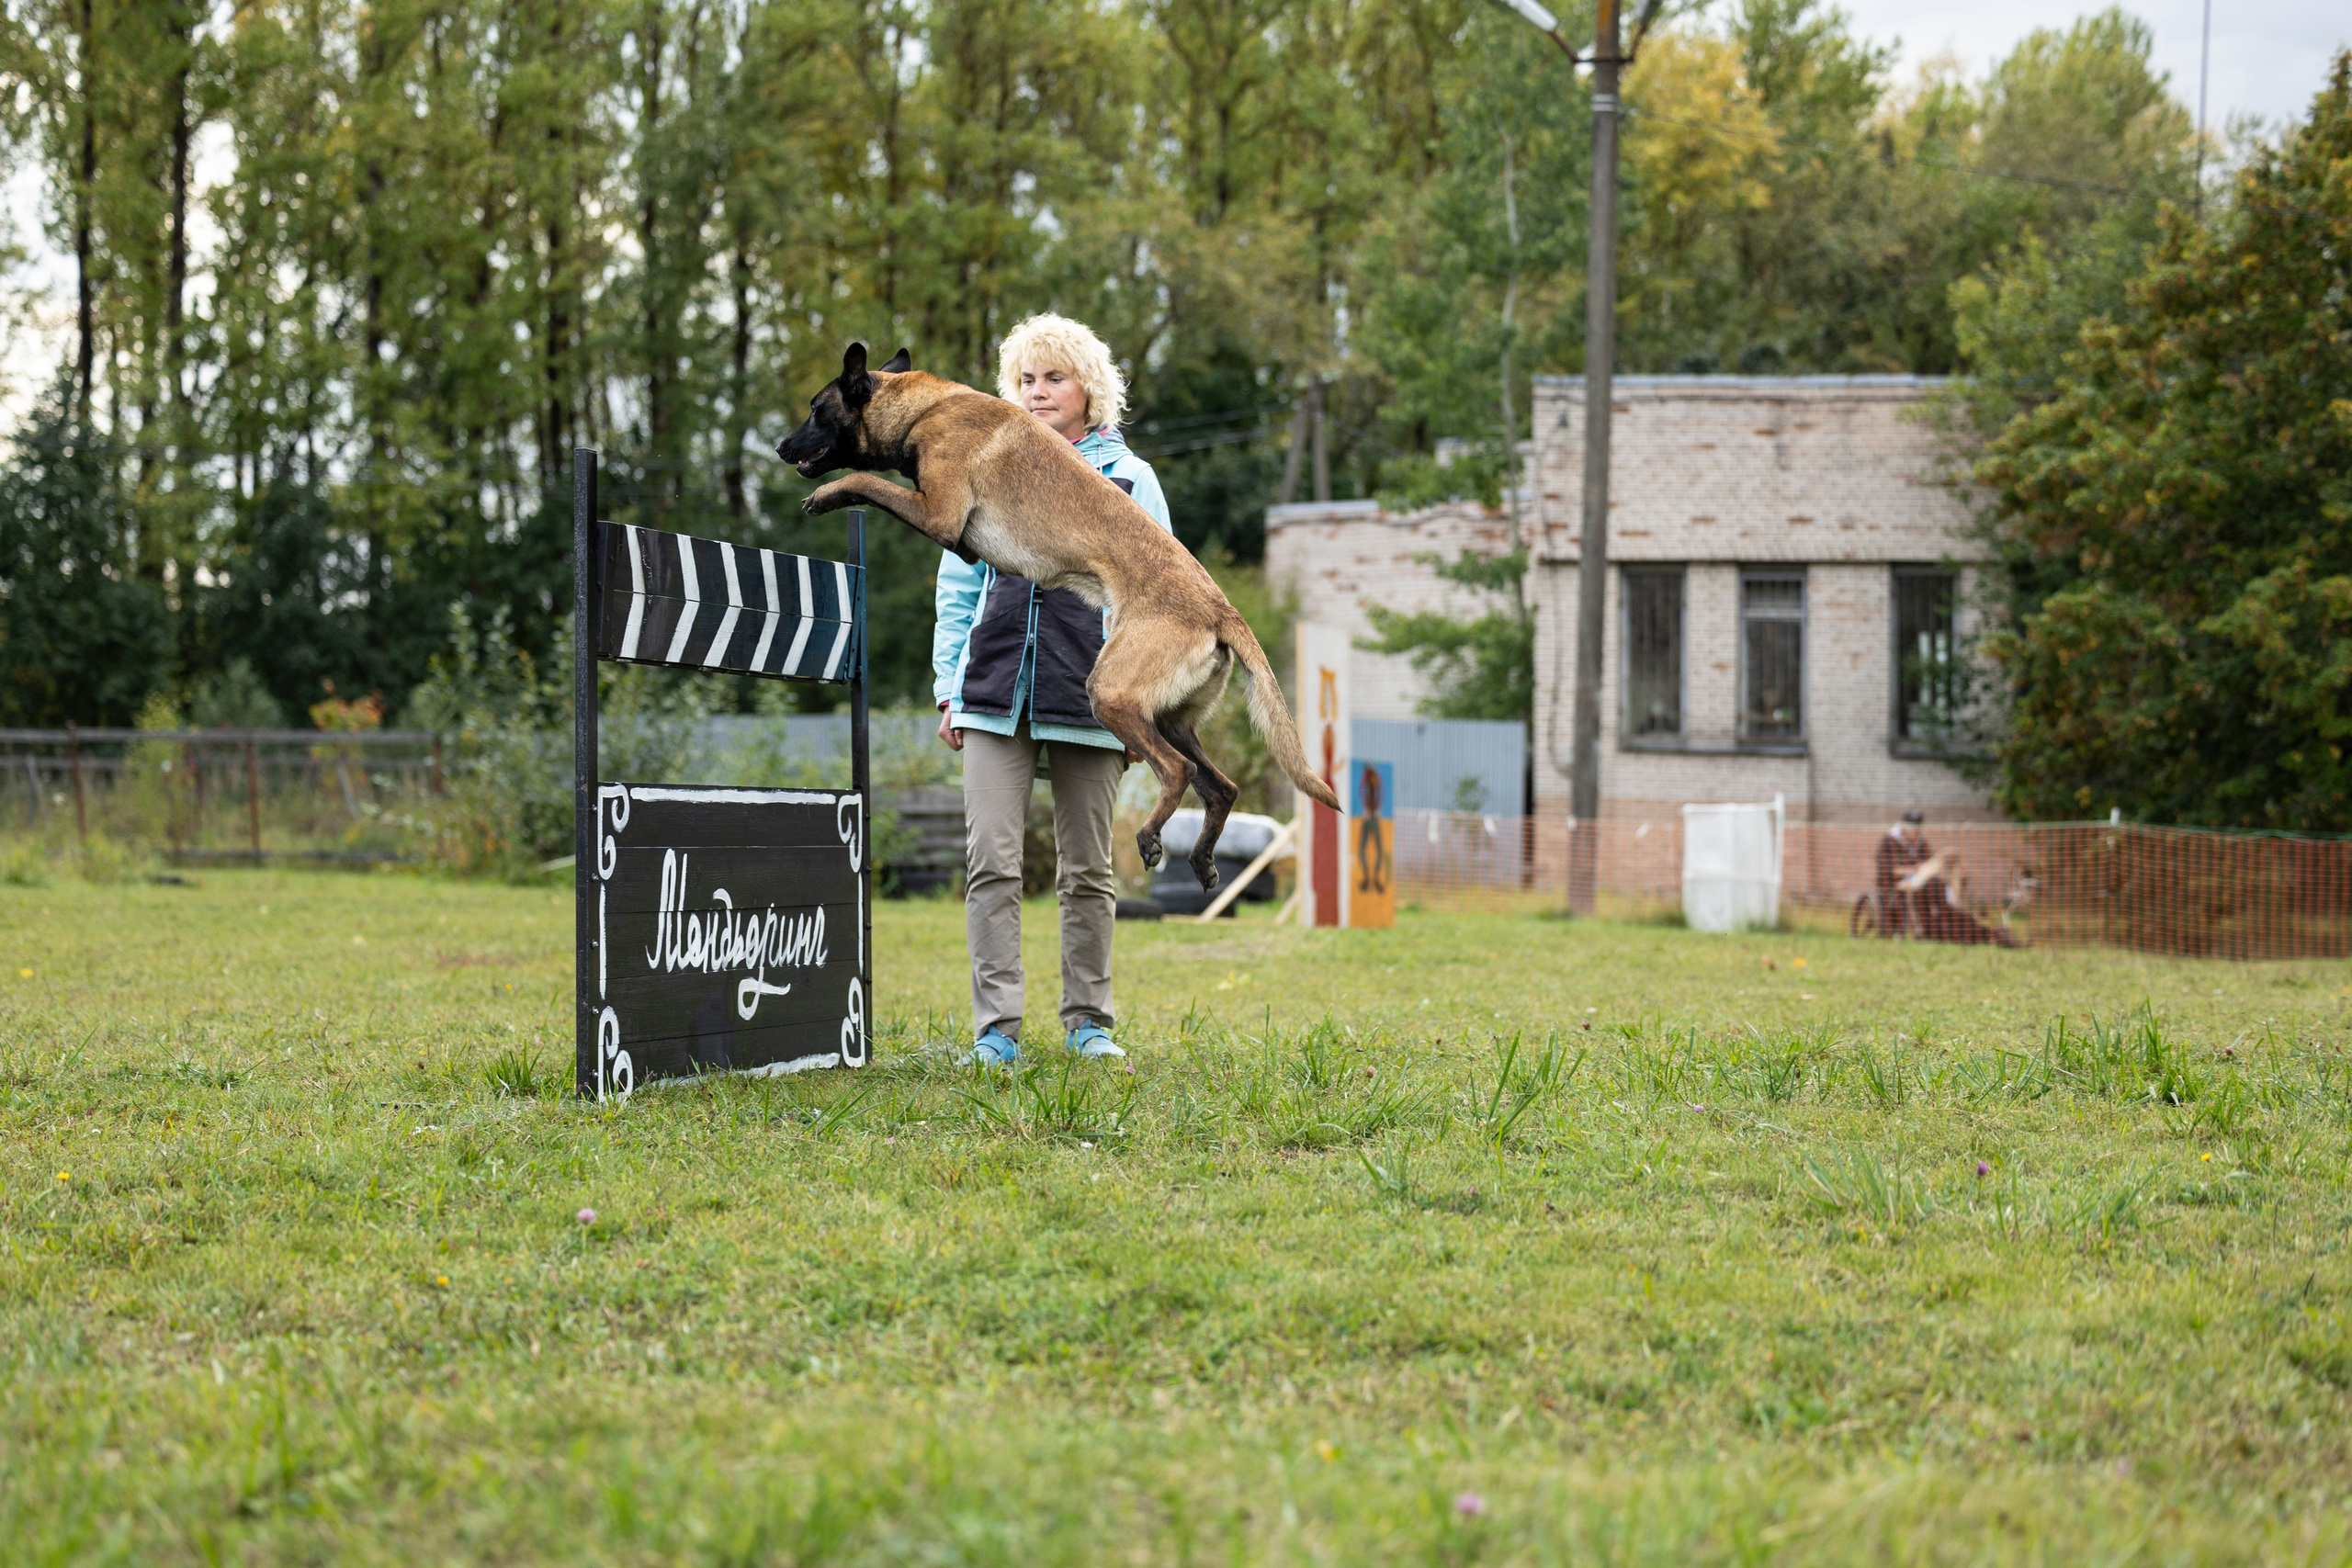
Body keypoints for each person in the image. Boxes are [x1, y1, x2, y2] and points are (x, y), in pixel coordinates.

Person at [933, 314, 1171, 1066]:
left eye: (1054, 378)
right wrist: (949, 686)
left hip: (1094, 700)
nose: (1038, 393)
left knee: (1088, 871)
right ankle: (996, 1029)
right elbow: (957, 587)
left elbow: (1159, 598)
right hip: (993, 689)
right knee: (992, 862)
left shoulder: (1132, 480)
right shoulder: (987, 465)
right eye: (1026, 380)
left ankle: (1088, 1023)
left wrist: (1145, 709)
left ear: (1088, 387)